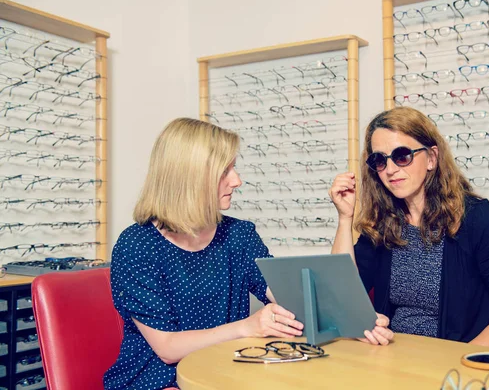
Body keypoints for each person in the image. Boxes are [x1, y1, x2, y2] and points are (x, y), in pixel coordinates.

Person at [104, 118, 391, 390]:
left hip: (226, 372)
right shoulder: (138, 245)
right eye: (225, 171)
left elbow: (285, 296)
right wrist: (249, 327)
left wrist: (350, 319)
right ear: (189, 177)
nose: (237, 180)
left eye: (234, 168)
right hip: (156, 381)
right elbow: (166, 348)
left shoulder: (238, 235)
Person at [328, 107, 489, 348]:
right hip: (393, 359)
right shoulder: (385, 222)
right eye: (380, 160)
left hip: (458, 365)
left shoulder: (479, 219)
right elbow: (340, 296)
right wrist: (345, 218)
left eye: (402, 155)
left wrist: (457, 364)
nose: (391, 169)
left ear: (432, 158)